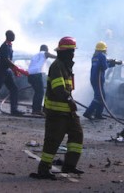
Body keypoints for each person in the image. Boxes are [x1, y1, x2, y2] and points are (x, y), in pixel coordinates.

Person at [30, 36, 84, 179]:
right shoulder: (57, 66)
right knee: (53, 141)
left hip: (68, 112)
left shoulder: (66, 66)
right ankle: (44, 170)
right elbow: (58, 88)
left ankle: (69, 165)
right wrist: (69, 100)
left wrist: (70, 102)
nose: (73, 54)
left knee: (77, 135)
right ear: (65, 52)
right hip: (57, 112)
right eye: (71, 51)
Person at [0, 30, 28, 117]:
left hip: (6, 70)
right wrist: (17, 68)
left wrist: (15, 70)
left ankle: (14, 110)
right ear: (8, 36)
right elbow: (6, 60)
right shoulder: (4, 46)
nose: (14, 37)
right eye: (12, 35)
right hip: (0, 70)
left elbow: (9, 61)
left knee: (14, 89)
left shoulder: (9, 46)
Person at [83, 41, 121, 120]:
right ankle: (88, 112)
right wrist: (112, 64)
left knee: (101, 96)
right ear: (104, 49)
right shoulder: (102, 56)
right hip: (98, 79)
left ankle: (98, 114)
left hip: (93, 79)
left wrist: (111, 62)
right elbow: (104, 67)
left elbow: (101, 64)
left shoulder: (95, 56)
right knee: (99, 97)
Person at [27, 44, 56, 115]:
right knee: (40, 92)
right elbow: (49, 55)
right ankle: (37, 110)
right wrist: (60, 57)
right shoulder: (44, 53)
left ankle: (35, 109)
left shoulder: (35, 55)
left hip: (29, 75)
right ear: (46, 49)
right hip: (36, 74)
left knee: (37, 92)